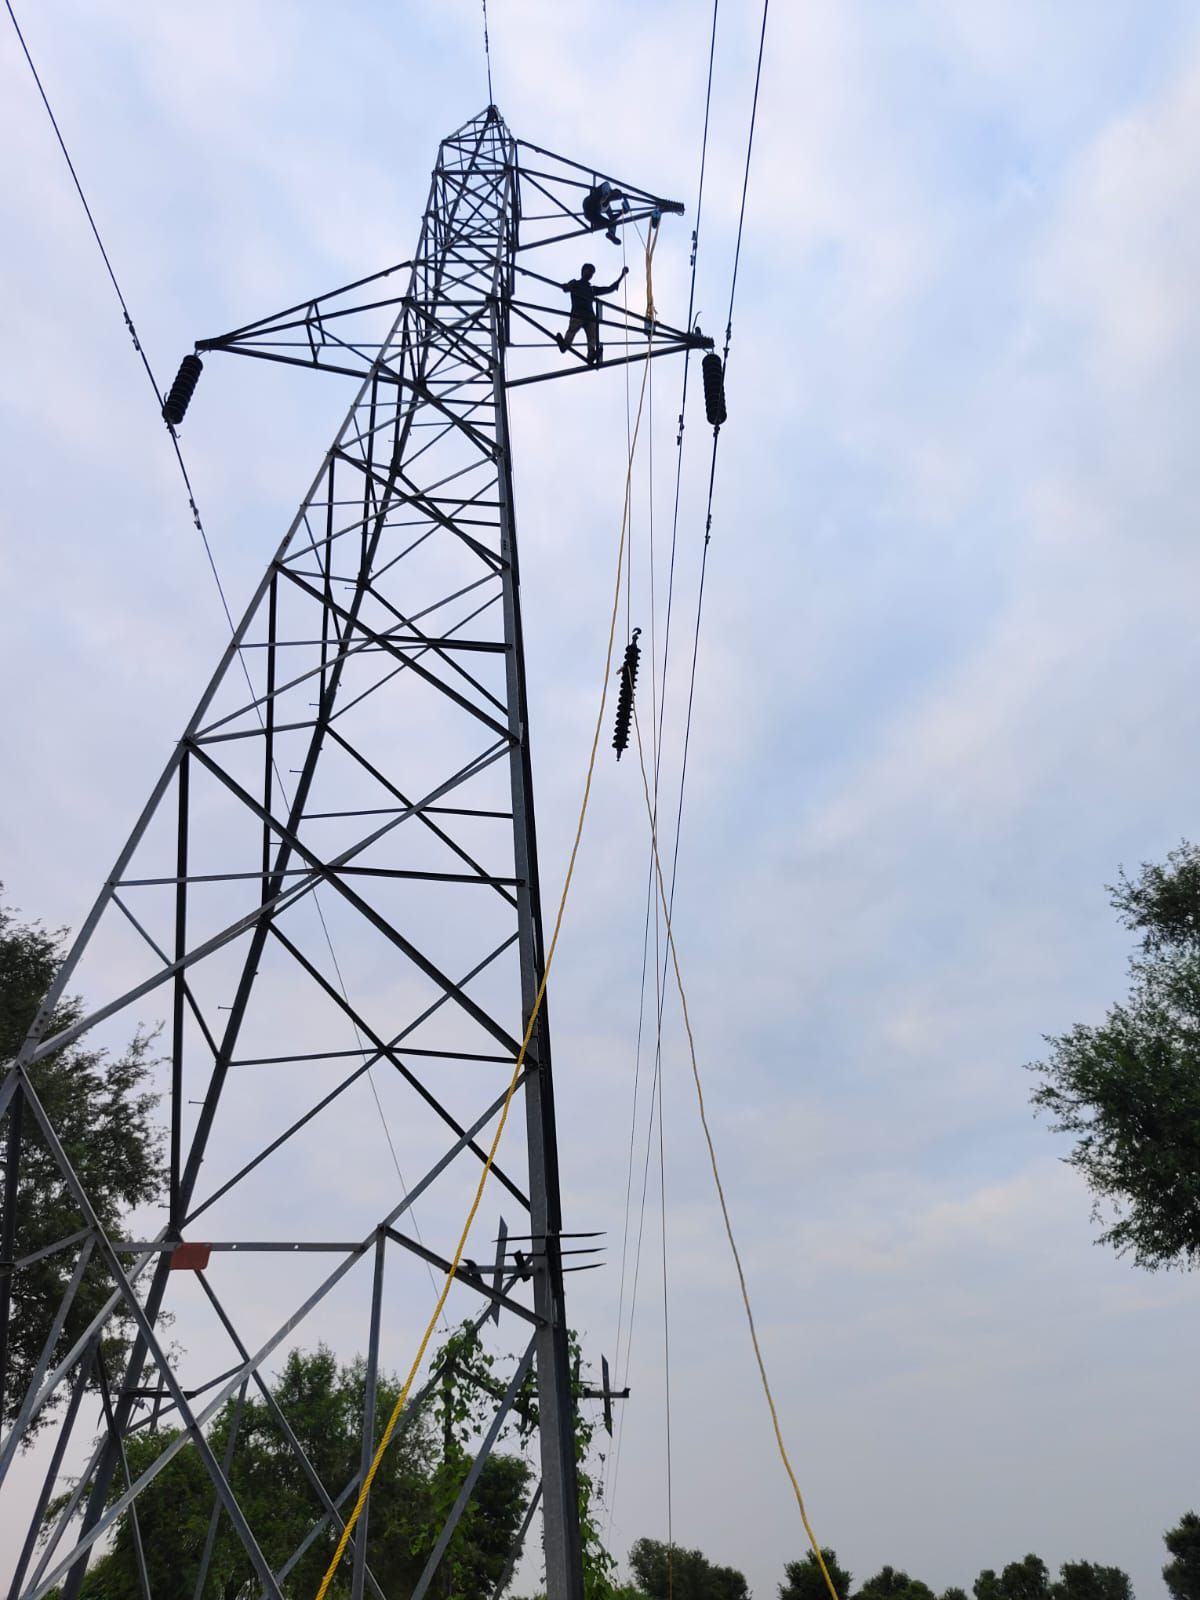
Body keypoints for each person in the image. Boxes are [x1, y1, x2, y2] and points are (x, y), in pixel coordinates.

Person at [557, 263, 628, 367]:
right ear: (583, 271)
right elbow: (566, 288)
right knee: (572, 330)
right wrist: (566, 286)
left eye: (592, 272)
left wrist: (622, 276)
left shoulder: (592, 289)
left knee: (592, 337)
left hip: (590, 316)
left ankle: (591, 354)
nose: (590, 273)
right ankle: (565, 344)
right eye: (588, 270)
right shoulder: (575, 283)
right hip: (578, 313)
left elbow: (609, 288)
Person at [581, 180, 627, 245]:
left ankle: (611, 234)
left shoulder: (607, 206)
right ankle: (607, 196)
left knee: (612, 223)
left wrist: (621, 212)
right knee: (603, 198)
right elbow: (606, 187)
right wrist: (615, 196)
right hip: (590, 204)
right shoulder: (605, 189)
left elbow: (612, 217)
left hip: (591, 215)